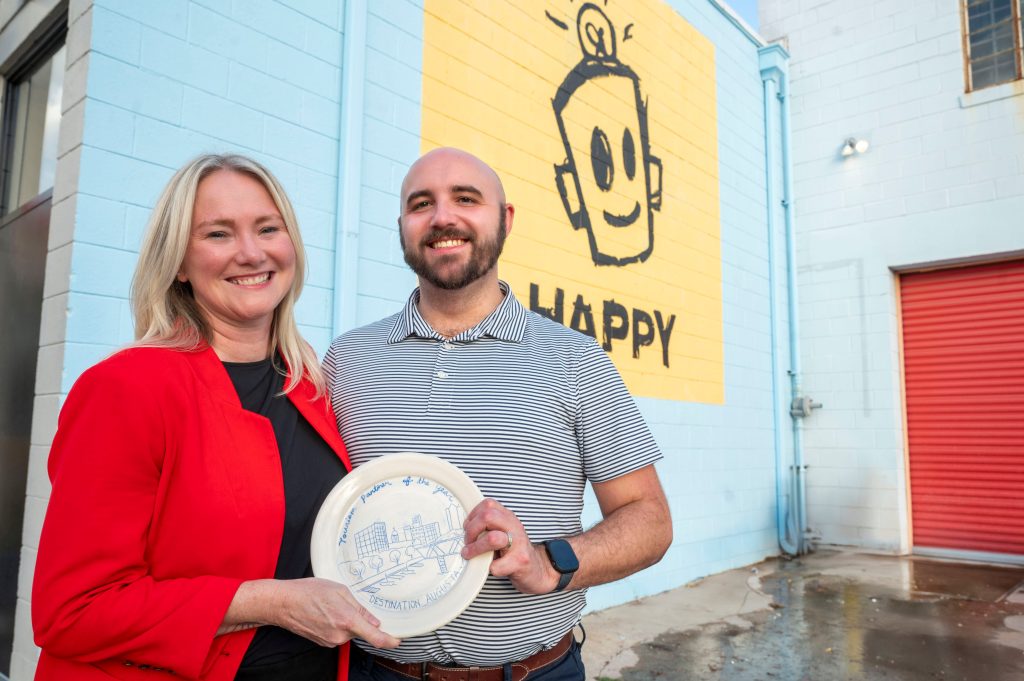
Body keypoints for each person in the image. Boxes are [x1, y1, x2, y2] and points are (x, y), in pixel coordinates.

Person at [31, 153, 398, 681]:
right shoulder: (127, 388)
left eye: (267, 228)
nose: (251, 253)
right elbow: (72, 611)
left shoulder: (310, 385)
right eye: (218, 234)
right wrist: (267, 602)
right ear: (179, 262)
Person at [323, 147, 673, 681]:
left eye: (466, 198)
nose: (443, 217)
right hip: (378, 670)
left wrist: (551, 563)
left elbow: (650, 519)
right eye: (422, 204)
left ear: (504, 220)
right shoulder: (347, 361)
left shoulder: (573, 359)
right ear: (402, 227)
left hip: (533, 673)